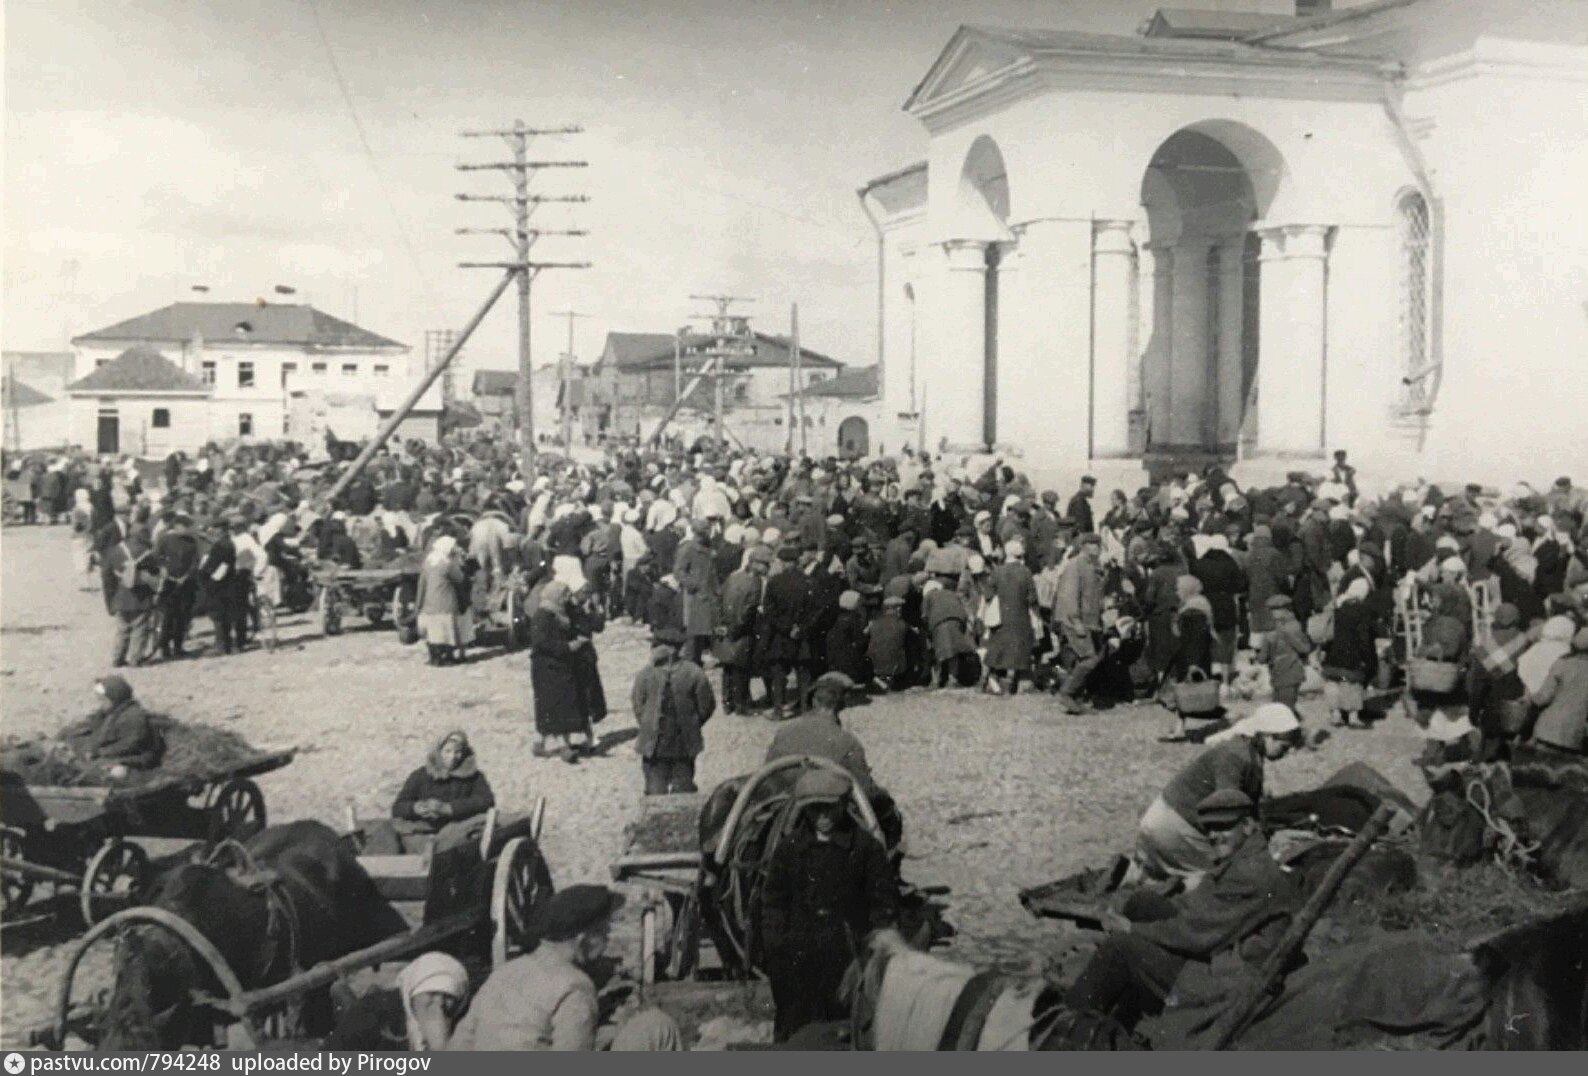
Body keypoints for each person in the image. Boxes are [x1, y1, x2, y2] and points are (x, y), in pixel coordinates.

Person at [1067, 789, 1301, 1031]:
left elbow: (1197, 934)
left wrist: (1132, 929)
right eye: (1209, 828)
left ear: (1248, 825)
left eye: (1223, 827)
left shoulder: (1250, 873)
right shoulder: (1243, 859)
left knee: (1119, 948)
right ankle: (1126, 1007)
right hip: (1221, 956)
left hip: (1226, 980)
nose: (1213, 835)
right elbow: (1197, 908)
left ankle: (1070, 1032)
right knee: (1143, 903)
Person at [448, 885, 682, 1051]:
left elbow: (460, 1044)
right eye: (605, 930)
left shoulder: (503, 974)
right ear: (583, 939)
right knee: (656, 1025)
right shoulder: (575, 986)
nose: (609, 938)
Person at [759, 769, 898, 1043]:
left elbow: (883, 906)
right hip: (799, 964)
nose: (822, 816)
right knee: (797, 1035)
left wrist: (868, 959)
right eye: (814, 809)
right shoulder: (789, 850)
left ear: (844, 805)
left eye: (829, 808)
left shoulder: (865, 849)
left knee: (845, 1035)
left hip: (847, 963)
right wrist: (778, 950)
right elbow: (774, 903)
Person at [1133, 703, 1300, 885]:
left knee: (1157, 880)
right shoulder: (1236, 755)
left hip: (1163, 820)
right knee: (1217, 886)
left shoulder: (1245, 750)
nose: (1287, 752)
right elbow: (1226, 810)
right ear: (1267, 735)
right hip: (1177, 827)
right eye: (1283, 747)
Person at [325, 952, 471, 1051]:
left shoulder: (464, 1022)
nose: (438, 1003)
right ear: (413, 989)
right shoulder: (375, 1012)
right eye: (431, 994)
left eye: (448, 996)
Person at [631, 627, 716, 794]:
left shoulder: (693, 673)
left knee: (683, 789)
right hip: (654, 746)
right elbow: (638, 705)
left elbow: (706, 705)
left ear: (671, 649)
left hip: (683, 745)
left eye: (657, 645)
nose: (653, 649)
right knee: (655, 791)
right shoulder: (646, 674)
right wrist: (649, 724)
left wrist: (692, 723)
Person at [385, 730, 495, 842]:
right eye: (447, 751)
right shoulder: (421, 775)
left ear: (465, 754)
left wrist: (449, 808)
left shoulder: (474, 776)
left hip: (458, 830)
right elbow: (398, 807)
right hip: (422, 830)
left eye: (458, 752)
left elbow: (486, 801)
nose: (452, 757)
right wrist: (417, 808)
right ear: (438, 752)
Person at [530, 580, 588, 762]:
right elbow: (541, 643)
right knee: (558, 705)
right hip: (548, 668)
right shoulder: (543, 615)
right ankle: (564, 746)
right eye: (565, 595)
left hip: (556, 666)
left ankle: (539, 744)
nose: (568, 599)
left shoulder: (557, 612)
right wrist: (569, 646)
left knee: (547, 706)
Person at [58, 675, 164, 768]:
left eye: (103, 699)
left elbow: (130, 745)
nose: (100, 703)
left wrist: (99, 753)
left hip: (132, 758)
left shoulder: (133, 717)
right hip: (110, 751)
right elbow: (91, 724)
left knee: (101, 767)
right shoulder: (112, 711)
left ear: (114, 697)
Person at [716, 544, 769, 714]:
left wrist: (722, 625)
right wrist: (736, 630)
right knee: (742, 669)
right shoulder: (755, 582)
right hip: (741, 630)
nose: (767, 568)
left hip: (725, 627)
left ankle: (727, 702)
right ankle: (741, 705)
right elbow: (749, 610)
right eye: (765, 564)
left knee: (728, 667)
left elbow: (720, 599)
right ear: (754, 563)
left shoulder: (733, 576)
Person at [983, 537, 1038, 695]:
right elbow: (1032, 598)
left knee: (998, 648)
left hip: (1001, 617)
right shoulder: (1025, 572)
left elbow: (988, 594)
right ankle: (1017, 683)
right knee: (1019, 650)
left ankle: (993, 681)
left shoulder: (997, 571)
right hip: (1020, 617)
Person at [1323, 577, 1379, 727]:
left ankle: (1336, 714)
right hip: (1352, 658)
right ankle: (1353, 717)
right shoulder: (1362, 612)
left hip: (1332, 656)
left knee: (1334, 683)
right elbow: (1364, 639)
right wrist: (1368, 659)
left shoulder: (1337, 608)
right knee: (1353, 685)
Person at [415, 535, 474, 665]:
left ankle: (434, 657)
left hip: (429, 604)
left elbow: (422, 584)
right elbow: (460, 579)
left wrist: (418, 604)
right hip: (445, 603)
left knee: (433, 633)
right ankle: (447, 657)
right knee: (446, 632)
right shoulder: (447, 564)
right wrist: (460, 561)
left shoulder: (428, 562)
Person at [1530, 626, 1588, 754]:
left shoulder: (1562, 664)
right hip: (1574, 736)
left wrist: (1530, 696)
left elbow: (1543, 698)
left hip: (1547, 731)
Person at [106, 533, 160, 668]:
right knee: (140, 628)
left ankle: (117, 658)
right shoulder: (146, 553)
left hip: (121, 595)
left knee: (122, 629)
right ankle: (135, 658)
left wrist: (110, 601)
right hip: (141, 596)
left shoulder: (115, 551)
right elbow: (155, 571)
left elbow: (108, 577)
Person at [154, 512, 201, 659]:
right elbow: (157, 557)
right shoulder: (165, 539)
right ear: (176, 526)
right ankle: (165, 647)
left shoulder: (191, 541)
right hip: (169, 583)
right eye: (184, 527)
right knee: (168, 617)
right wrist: (162, 569)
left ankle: (178, 647)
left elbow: (195, 561)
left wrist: (187, 576)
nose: (187, 530)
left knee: (183, 616)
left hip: (186, 584)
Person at [1256, 595, 1311, 711]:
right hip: (1294, 673)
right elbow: (1306, 649)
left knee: (1282, 710)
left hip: (1278, 674)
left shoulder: (1270, 633)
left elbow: (1262, 658)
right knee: (1288, 708)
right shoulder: (1296, 626)